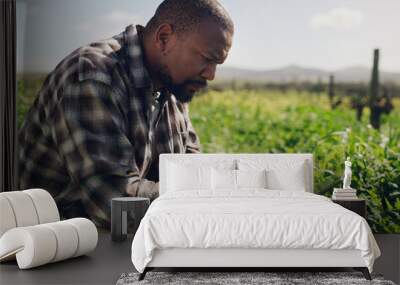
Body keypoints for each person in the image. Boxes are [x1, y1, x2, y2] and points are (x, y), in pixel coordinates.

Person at [18, 0, 234, 228]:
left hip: (124, 242)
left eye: (217, 63)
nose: (211, 75)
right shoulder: (92, 77)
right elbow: (115, 206)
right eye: (207, 59)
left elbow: (192, 170)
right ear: (164, 38)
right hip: (59, 244)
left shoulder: (173, 84)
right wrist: (204, 195)